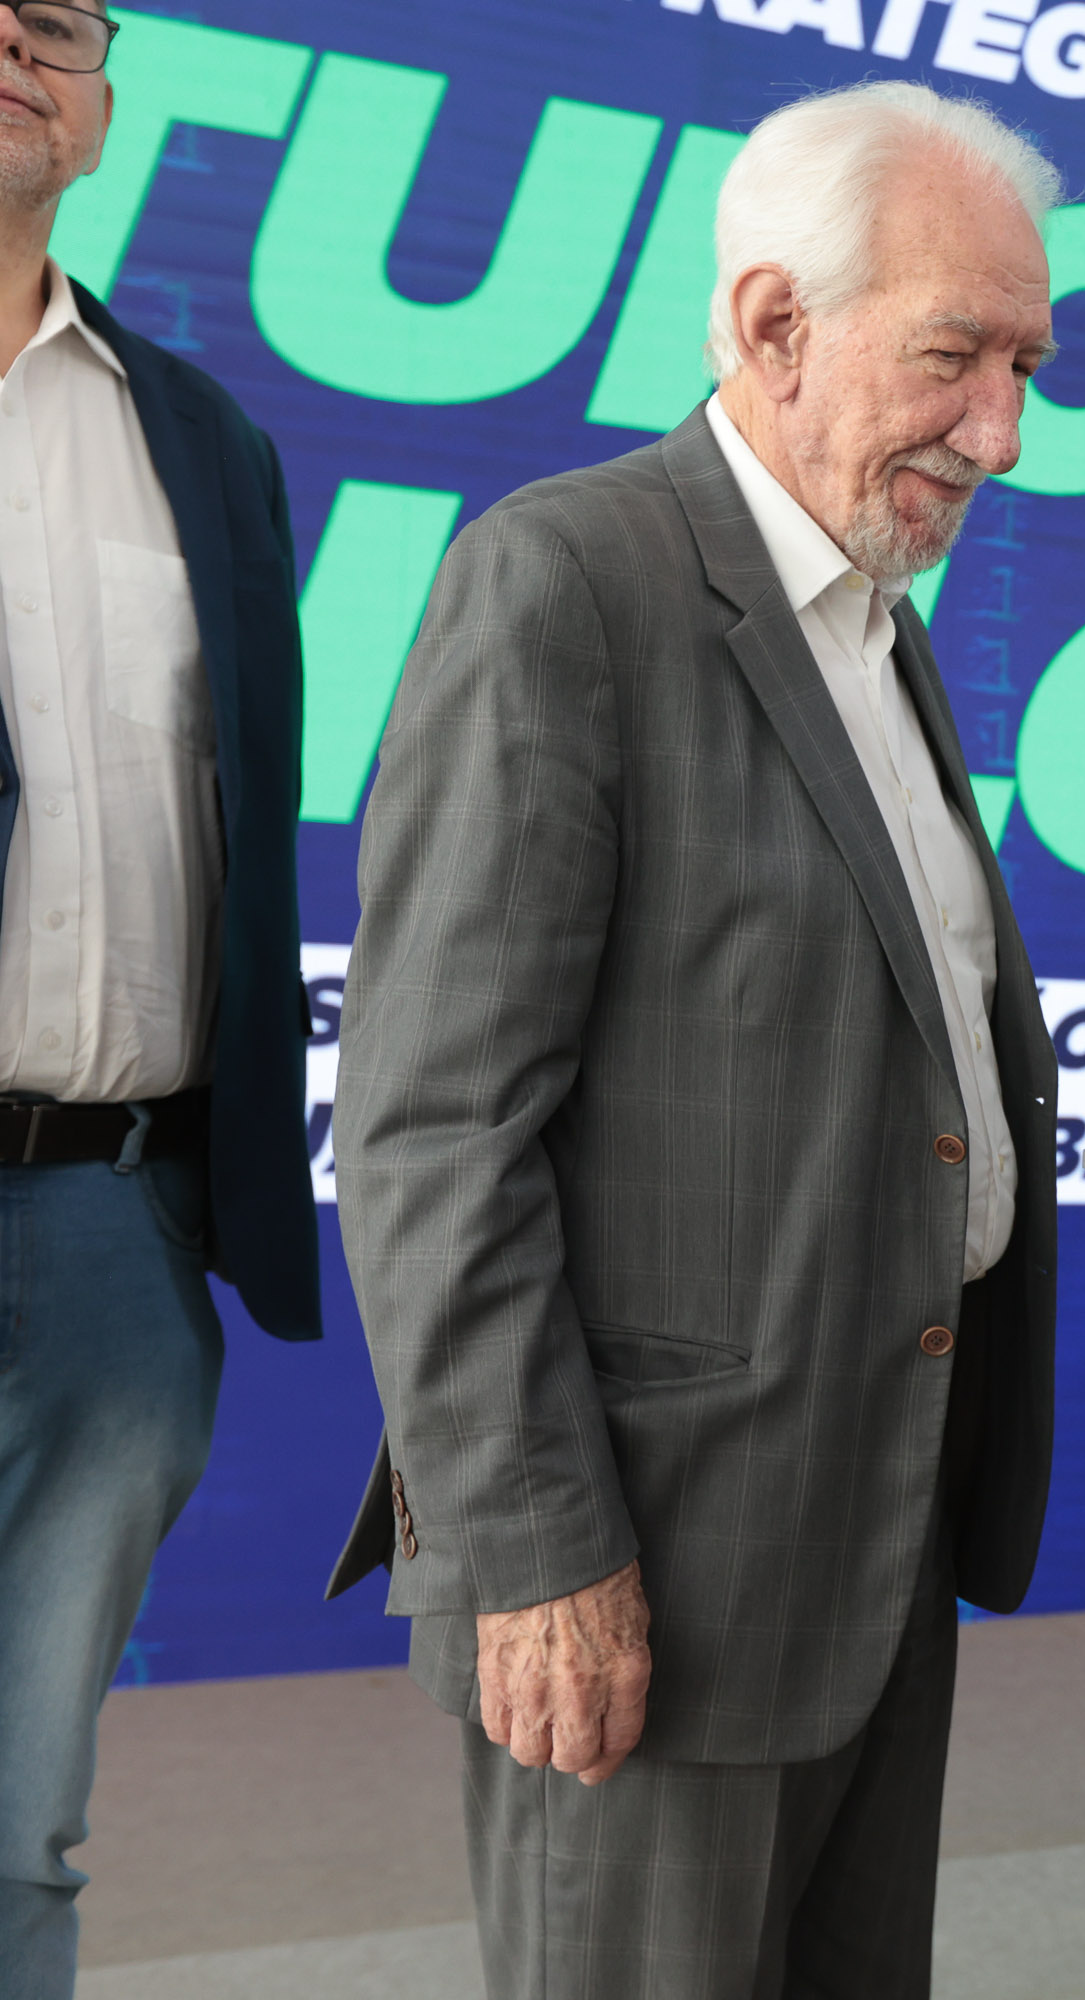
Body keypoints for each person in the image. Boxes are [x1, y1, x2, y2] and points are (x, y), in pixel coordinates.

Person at [324, 83, 1062, 1999]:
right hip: (647, 1570)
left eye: (1027, 369)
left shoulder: (879, 623)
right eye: (956, 357)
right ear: (771, 323)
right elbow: (431, 1131)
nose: (999, 432)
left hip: (872, 1541)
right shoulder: (565, 580)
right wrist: (535, 1552)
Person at [0, 5, 322, 1989]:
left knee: (20, 1830)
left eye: (61, 18)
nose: (18, 38)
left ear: (105, 105)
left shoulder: (201, 441)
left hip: (110, 1231)